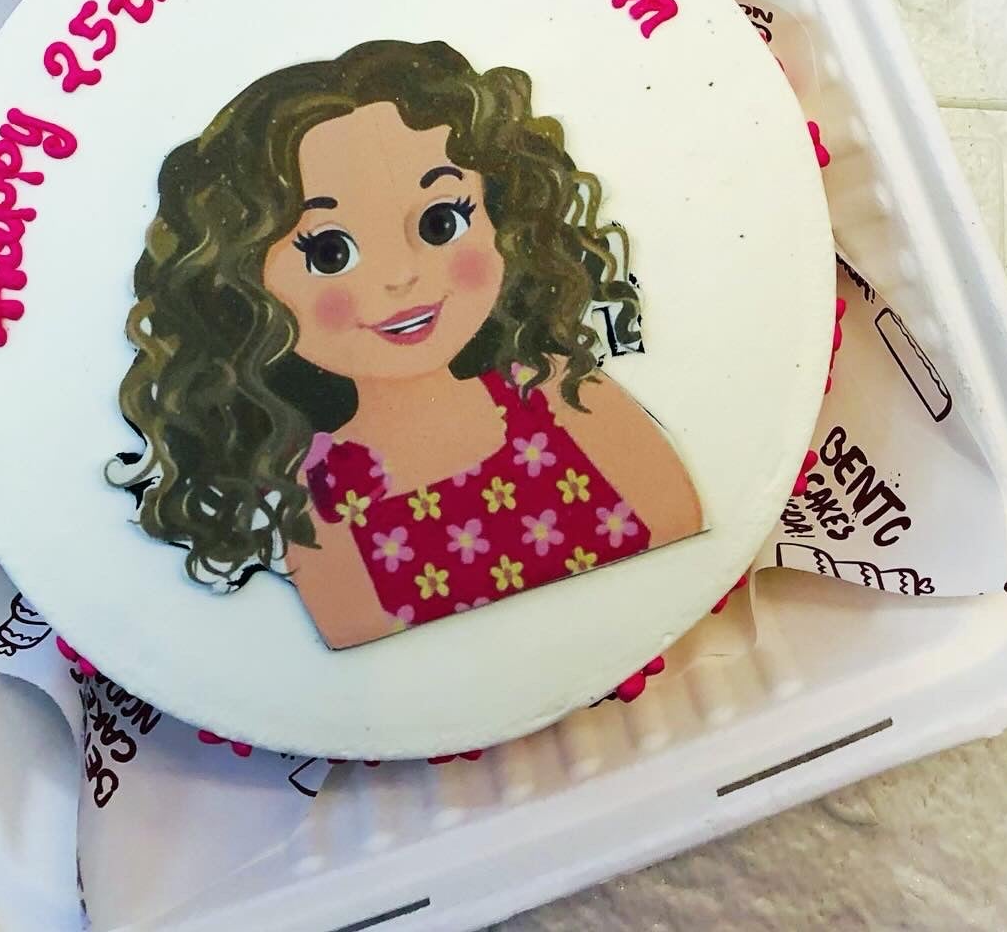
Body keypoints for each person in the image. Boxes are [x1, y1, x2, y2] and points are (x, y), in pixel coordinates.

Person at [108, 40, 702, 648]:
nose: (401, 275)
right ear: (243, 290)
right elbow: (373, 658)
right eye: (329, 252)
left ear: (501, 214)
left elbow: (682, 526)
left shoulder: (559, 391)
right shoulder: (314, 499)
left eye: (440, 221)